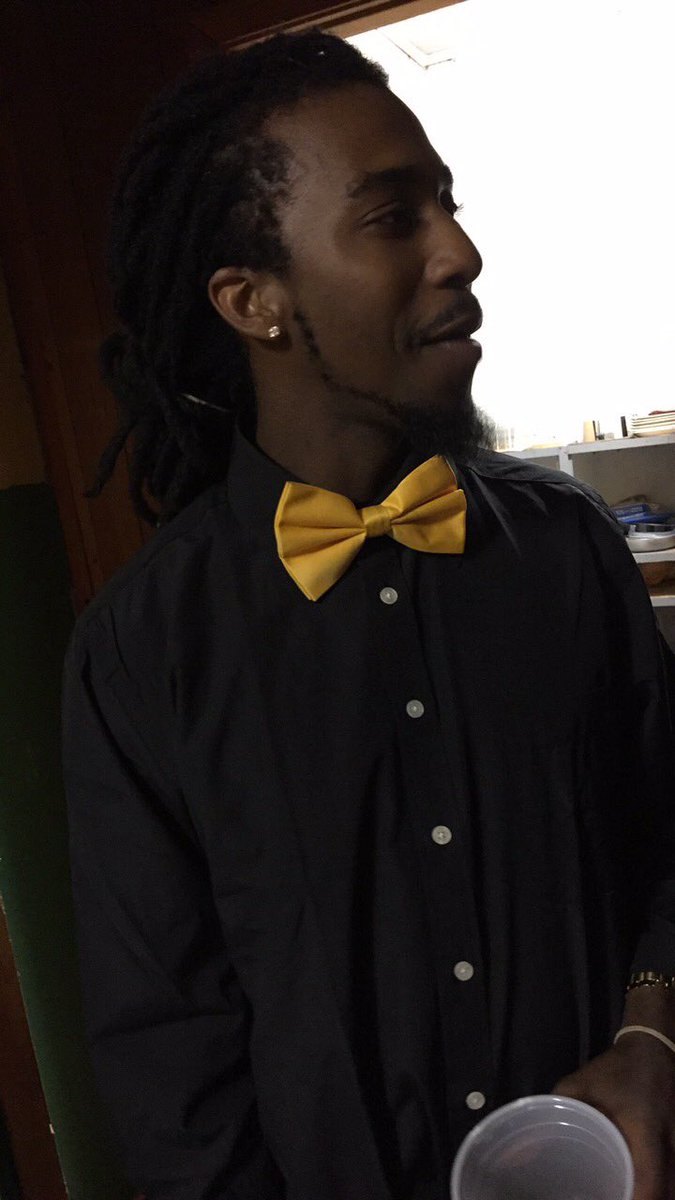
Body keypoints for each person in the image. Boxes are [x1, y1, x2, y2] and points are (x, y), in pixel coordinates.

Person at [62, 29, 675, 1200]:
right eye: (394, 218)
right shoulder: (143, 654)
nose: (462, 252)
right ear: (254, 300)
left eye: (448, 204)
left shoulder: (566, 553)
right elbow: (172, 1072)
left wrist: (653, 1036)